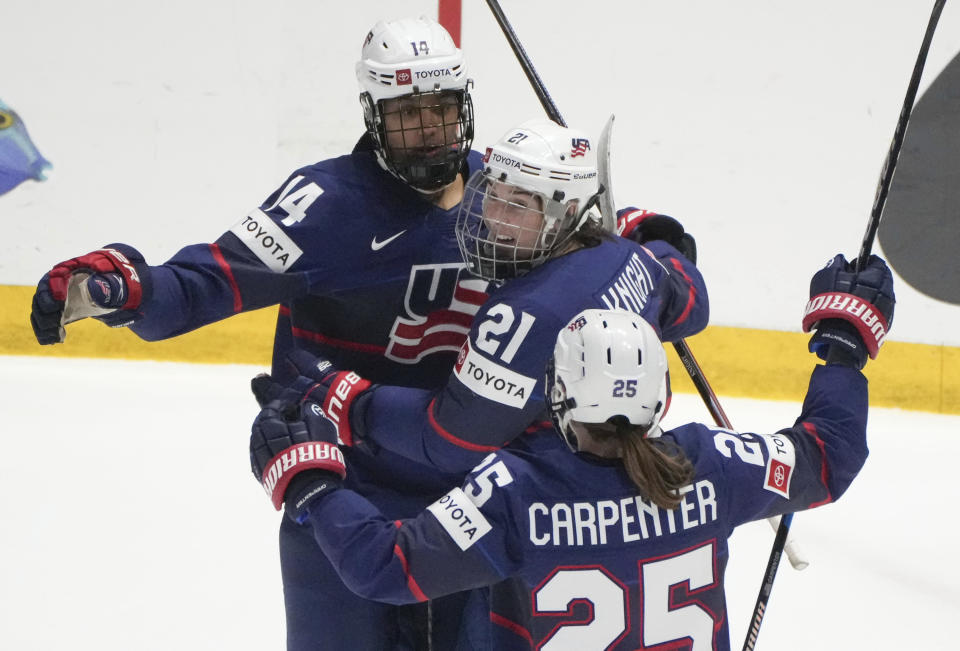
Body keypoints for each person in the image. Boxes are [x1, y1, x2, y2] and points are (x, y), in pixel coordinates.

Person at [28, 16, 488, 650]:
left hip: (479, 493)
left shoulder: (508, 194)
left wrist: (644, 237)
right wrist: (130, 287)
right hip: (342, 490)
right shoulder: (327, 205)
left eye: (439, 108)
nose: (427, 128)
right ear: (372, 114)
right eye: (406, 113)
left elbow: (591, 267)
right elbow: (203, 284)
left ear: (464, 106)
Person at [248, 251, 895, 650]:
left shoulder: (517, 492)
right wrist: (844, 343)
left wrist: (309, 482)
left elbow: (384, 567)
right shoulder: (713, 466)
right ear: (660, 395)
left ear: (556, 393)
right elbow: (828, 453)